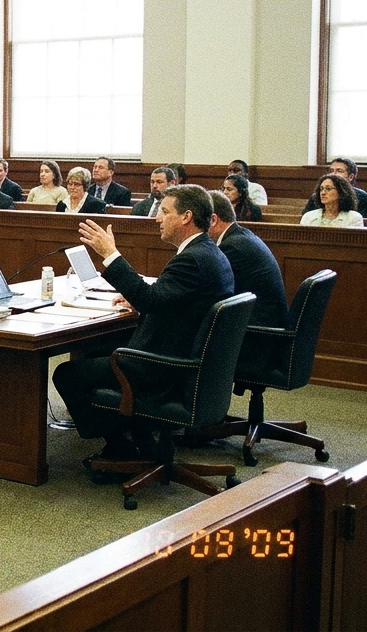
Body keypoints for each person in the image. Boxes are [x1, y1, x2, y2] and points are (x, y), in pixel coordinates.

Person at [52, 184, 234, 463]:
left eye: (164, 212)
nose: (157, 218)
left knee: (67, 374)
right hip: (190, 360)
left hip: (163, 366)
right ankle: (138, 437)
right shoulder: (208, 252)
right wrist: (142, 298)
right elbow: (168, 298)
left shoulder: (192, 259)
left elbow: (150, 300)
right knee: (97, 349)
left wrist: (110, 254)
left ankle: (119, 446)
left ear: (185, 217)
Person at [208, 191, 288, 331]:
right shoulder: (240, 236)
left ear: (213, 220)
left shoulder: (232, 247)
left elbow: (215, 293)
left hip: (259, 332)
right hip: (263, 322)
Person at [301, 157, 367, 219]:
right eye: (331, 171)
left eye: (339, 171)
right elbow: (306, 217)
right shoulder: (317, 195)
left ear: (351, 177)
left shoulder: (362, 197)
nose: (333, 174)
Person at [300, 173, 364, 227]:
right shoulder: (308, 216)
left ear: (341, 192)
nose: (323, 193)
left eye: (328, 189)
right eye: (321, 189)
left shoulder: (354, 218)